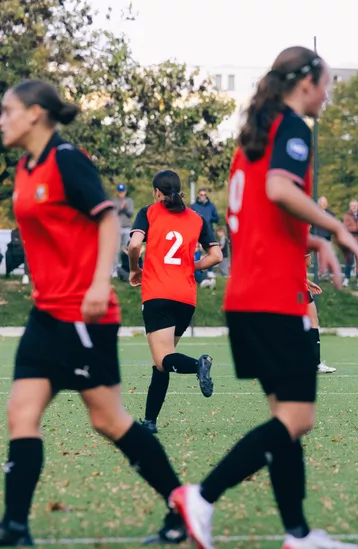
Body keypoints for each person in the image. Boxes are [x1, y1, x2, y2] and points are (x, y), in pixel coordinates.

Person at [168, 47, 358, 549]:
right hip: (275, 297)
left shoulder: (254, 135)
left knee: (286, 423)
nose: (328, 93)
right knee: (298, 420)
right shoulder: (292, 126)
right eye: (325, 83)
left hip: (249, 296)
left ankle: (298, 534)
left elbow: (262, 209)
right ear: (304, 84)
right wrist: (336, 226)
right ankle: (202, 497)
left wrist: (311, 238)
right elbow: (280, 188)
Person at [0, 79, 187, 545]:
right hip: (47, 313)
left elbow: (107, 218)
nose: (2, 119)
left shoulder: (66, 161)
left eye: (8, 110)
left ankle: (183, 506)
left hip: (84, 314)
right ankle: (15, 528)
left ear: (36, 114)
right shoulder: (25, 167)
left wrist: (100, 283)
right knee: (21, 414)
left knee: (108, 420)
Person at [127, 170, 223, 435]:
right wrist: (191, 266)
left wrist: (135, 269)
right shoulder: (198, 218)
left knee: (162, 359)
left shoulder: (149, 212)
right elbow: (216, 255)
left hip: (158, 293)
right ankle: (149, 421)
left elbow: (134, 246)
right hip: (185, 298)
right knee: (164, 359)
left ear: (157, 192)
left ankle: (198, 364)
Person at [342, 199, 358, 287]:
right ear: (350, 207)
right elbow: (346, 228)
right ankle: (346, 279)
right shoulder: (346, 216)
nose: (354, 207)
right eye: (352, 206)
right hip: (350, 242)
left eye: (355, 206)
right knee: (349, 261)